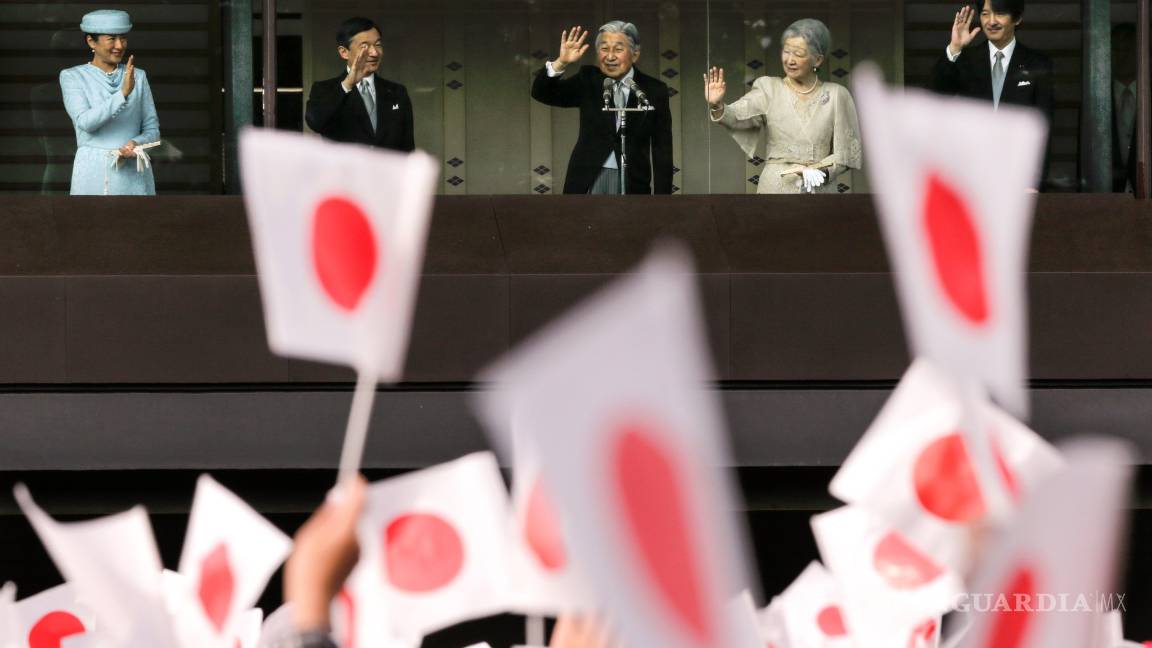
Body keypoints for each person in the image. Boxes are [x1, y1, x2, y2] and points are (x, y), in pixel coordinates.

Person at [704, 19, 862, 194]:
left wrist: (820, 172)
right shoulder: (768, 88)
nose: (790, 60)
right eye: (786, 52)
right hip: (775, 188)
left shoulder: (837, 95)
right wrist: (718, 105)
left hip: (818, 189)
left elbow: (847, 152)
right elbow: (737, 116)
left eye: (799, 54)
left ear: (817, 60)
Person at [532, 21, 673, 195]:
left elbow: (662, 148)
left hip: (633, 181)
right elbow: (541, 93)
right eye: (604, 49)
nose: (610, 56)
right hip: (588, 179)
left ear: (635, 54)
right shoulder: (588, 80)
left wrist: (663, 200)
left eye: (618, 49)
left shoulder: (653, 90)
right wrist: (561, 62)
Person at [930, 1, 1054, 185]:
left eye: (1000, 14)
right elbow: (933, 98)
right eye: (985, 14)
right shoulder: (965, 60)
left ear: (1017, 18)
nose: (992, 21)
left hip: (1017, 177)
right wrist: (955, 48)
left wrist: (1033, 184)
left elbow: (1042, 129)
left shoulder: (1038, 64)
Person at [60, 9, 160, 195]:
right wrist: (122, 94)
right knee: (90, 222)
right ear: (91, 41)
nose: (119, 45)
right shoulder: (72, 77)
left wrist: (135, 144)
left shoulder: (138, 75)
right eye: (111, 39)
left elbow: (152, 130)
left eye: (123, 38)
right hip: (92, 172)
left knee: (137, 222)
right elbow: (86, 123)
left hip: (133, 174)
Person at [305, 17, 415, 152]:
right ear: (344, 52)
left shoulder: (397, 92)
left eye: (378, 44)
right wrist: (348, 83)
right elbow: (315, 122)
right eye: (364, 46)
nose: (374, 52)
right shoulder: (324, 89)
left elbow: (408, 148)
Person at [1112, 23, 1139, 193]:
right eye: (1116, 50)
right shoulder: (1095, 99)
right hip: (1107, 197)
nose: (1122, 56)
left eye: (1128, 49)